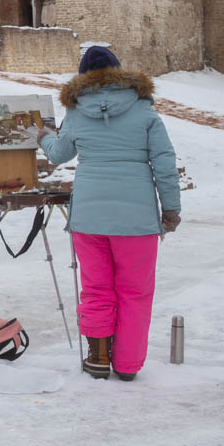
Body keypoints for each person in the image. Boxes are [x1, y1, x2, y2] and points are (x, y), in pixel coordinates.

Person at [37, 46, 181, 381]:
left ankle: (98, 358)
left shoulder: (75, 113)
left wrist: (44, 137)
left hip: (89, 217)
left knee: (97, 287)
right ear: (119, 72)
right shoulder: (145, 113)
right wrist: (170, 209)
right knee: (135, 292)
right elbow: (164, 164)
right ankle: (128, 366)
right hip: (137, 221)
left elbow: (58, 154)